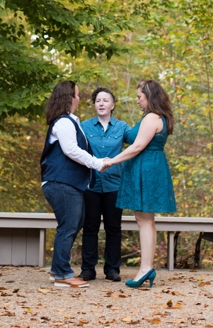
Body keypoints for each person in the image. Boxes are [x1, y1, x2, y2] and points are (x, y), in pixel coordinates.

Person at [104, 79, 177, 288]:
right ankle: (147, 267)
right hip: (149, 168)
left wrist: (112, 161)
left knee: (144, 220)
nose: (137, 101)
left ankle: (145, 268)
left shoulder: (152, 117)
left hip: (146, 169)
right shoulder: (157, 117)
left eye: (139, 97)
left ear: (150, 97)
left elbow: (137, 147)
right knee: (146, 220)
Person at [40, 81, 109, 289]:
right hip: (61, 182)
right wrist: (97, 163)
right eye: (77, 95)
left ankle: (56, 270)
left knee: (73, 224)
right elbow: (71, 150)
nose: (79, 98)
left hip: (68, 183)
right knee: (69, 226)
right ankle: (62, 274)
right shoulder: (63, 123)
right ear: (69, 98)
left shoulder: (71, 122)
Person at [79, 87, 131, 282]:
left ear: (112, 105)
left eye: (105, 100)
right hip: (90, 185)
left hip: (114, 185)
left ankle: (112, 270)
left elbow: (137, 144)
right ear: (94, 105)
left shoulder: (122, 127)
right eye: (97, 100)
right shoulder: (84, 127)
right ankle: (87, 270)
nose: (101, 103)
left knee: (113, 228)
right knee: (90, 226)